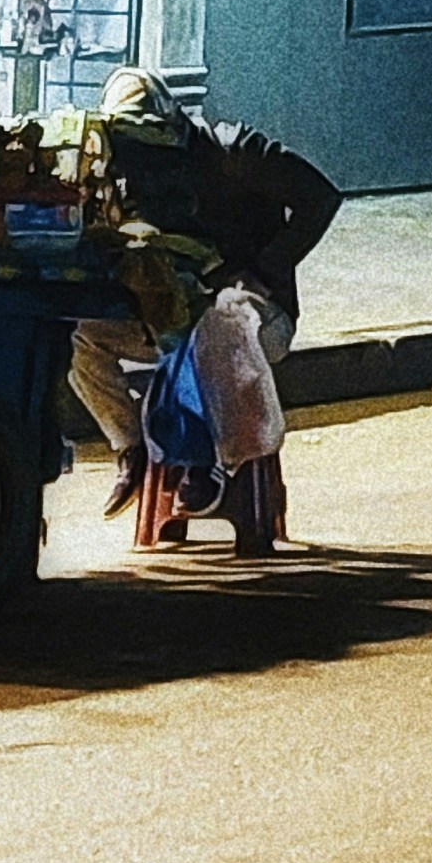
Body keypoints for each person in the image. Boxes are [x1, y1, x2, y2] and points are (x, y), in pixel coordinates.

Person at [72, 73, 342, 553]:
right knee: (76, 330)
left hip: (257, 315)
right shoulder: (129, 169)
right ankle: (133, 447)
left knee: (219, 319)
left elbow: (320, 198)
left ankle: (217, 461)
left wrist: (262, 269)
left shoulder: (233, 152)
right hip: (175, 312)